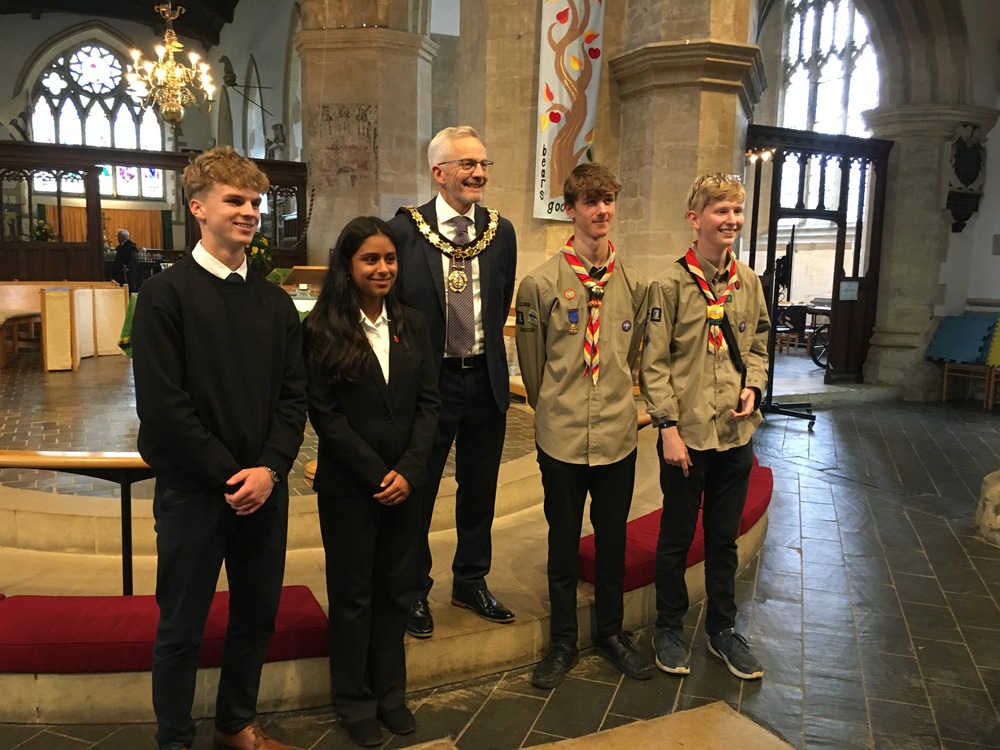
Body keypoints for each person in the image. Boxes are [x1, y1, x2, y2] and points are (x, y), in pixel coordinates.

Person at [131, 146, 308, 750]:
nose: (250, 212)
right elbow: (163, 407)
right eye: (235, 200)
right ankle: (174, 739)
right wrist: (233, 475)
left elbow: (294, 397)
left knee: (255, 617)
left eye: (256, 202)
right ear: (198, 207)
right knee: (181, 627)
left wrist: (271, 470)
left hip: (263, 492)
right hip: (195, 494)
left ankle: (235, 725)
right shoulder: (165, 296)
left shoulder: (275, 302)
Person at [303, 217, 440, 748]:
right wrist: (375, 472)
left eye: (389, 259)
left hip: (407, 484)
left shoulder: (412, 322)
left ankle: (390, 695)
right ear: (347, 265)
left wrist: (409, 469)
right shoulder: (321, 328)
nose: (382, 268)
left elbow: (430, 401)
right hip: (349, 487)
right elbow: (325, 414)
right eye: (370, 259)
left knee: (395, 591)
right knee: (353, 596)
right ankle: (354, 700)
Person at [515, 163, 653, 688]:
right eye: (591, 201)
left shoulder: (635, 285)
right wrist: (556, 406)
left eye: (609, 200)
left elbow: (632, 355)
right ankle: (563, 642)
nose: (601, 211)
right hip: (562, 436)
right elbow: (532, 367)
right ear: (570, 208)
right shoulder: (540, 284)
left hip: (617, 436)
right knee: (562, 540)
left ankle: (611, 634)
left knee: (613, 540)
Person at [639, 172, 770, 681]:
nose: (731, 220)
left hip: (735, 434)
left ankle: (722, 630)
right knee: (675, 537)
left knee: (723, 539)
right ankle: (668, 627)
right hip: (687, 436)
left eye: (737, 211)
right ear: (696, 220)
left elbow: (758, 344)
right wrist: (667, 427)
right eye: (720, 211)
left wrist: (753, 387)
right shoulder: (668, 285)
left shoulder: (749, 282)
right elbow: (654, 364)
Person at [388, 125, 518, 637]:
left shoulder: (500, 230)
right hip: (428, 383)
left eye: (483, 164)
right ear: (438, 172)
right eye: (467, 164)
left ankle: (470, 579)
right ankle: (413, 589)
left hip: (484, 378)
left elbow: (499, 299)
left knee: (480, 488)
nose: (479, 173)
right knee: (417, 491)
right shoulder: (403, 230)